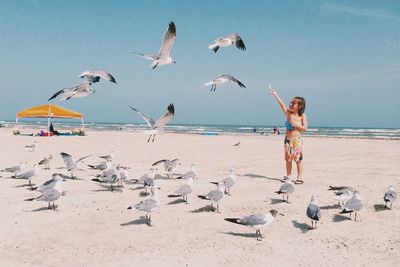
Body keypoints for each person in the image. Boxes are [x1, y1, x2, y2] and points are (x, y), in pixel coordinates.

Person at [269, 84, 308, 184]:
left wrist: (295, 125)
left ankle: (299, 177)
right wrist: (275, 94)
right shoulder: (288, 113)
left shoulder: (302, 116)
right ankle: (288, 176)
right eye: (290, 103)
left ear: (299, 106)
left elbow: (305, 128)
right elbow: (282, 104)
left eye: (293, 103)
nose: (290, 104)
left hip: (297, 140)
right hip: (288, 140)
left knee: (298, 159)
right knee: (288, 159)